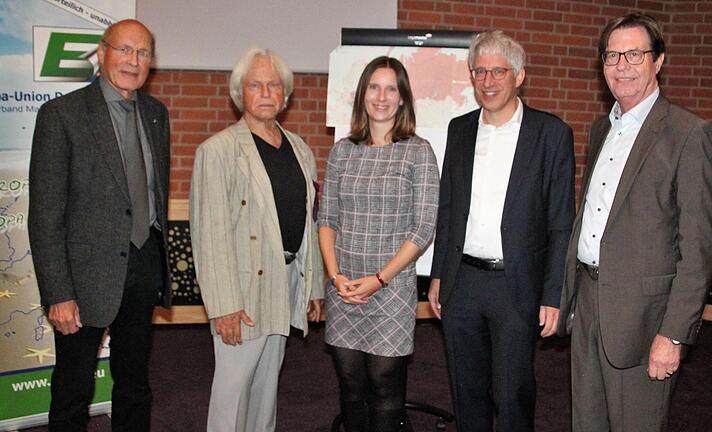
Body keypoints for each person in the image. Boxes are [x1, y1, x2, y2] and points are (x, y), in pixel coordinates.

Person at [557, 13, 712, 432]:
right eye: (612, 56)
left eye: (634, 53)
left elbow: (698, 248)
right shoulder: (600, 130)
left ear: (658, 60)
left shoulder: (688, 134)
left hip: (645, 320)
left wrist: (674, 334)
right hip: (588, 306)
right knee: (585, 423)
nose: (621, 65)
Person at [428, 31, 575, 431]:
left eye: (498, 71)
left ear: (520, 76)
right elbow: (448, 210)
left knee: (512, 394)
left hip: (517, 287)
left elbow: (562, 221)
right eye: (480, 71)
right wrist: (440, 273)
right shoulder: (459, 130)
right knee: (466, 391)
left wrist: (553, 294)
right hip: (462, 284)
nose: (488, 81)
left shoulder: (551, 134)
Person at [28, 19, 170, 431]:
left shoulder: (157, 114)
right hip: (82, 278)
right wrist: (58, 292)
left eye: (143, 53)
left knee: (135, 385)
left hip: (143, 268)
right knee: (72, 391)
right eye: (124, 49)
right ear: (102, 53)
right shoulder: (62, 115)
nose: (133, 60)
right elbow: (46, 214)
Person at [189, 46, 324, 432]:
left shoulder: (299, 148)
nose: (266, 93)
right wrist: (223, 306)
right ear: (240, 94)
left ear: (285, 93)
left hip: (284, 283)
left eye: (274, 85)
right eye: (255, 85)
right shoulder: (217, 152)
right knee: (233, 393)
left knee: (266, 390)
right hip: (242, 292)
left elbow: (308, 222)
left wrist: (312, 286)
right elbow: (209, 235)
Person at [318, 56, 440, 432]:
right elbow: (327, 220)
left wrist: (379, 279)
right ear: (362, 95)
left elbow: (423, 229)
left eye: (391, 88)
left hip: (390, 290)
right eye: (374, 87)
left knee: (385, 386)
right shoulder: (342, 151)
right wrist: (336, 277)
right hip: (345, 289)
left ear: (402, 98)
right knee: (351, 387)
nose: (382, 96)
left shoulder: (418, 151)